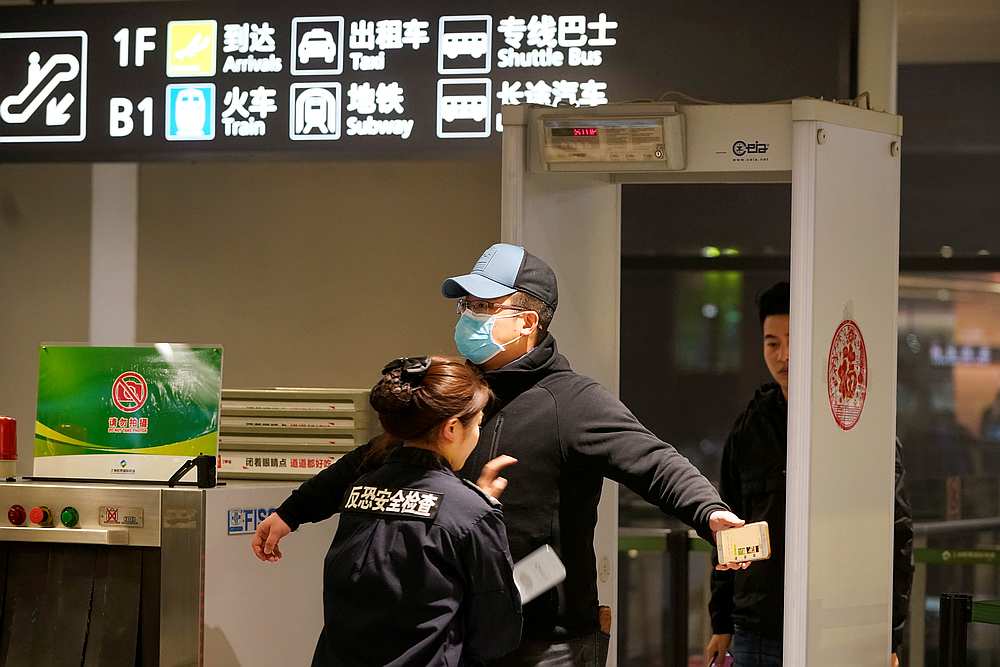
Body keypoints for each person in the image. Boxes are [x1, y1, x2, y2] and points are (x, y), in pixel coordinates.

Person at [258, 243, 747, 667]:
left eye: (484, 306)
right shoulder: (458, 388)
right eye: (466, 304)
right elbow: (375, 455)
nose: (468, 315)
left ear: (528, 321)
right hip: (459, 628)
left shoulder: (572, 402)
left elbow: (654, 461)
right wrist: (294, 511)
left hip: (545, 639)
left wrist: (710, 513)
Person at [254, 355, 523, 666]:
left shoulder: (359, 490)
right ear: (451, 428)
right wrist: (476, 509)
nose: (477, 434)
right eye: (477, 425)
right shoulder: (472, 513)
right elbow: (496, 635)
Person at [705, 282, 915, 667]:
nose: (783, 355)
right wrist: (721, 622)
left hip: (837, 625)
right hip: (757, 627)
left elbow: (896, 533)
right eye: (772, 343)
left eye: (793, 340)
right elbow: (728, 520)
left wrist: (889, 635)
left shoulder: (858, 423)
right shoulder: (750, 427)